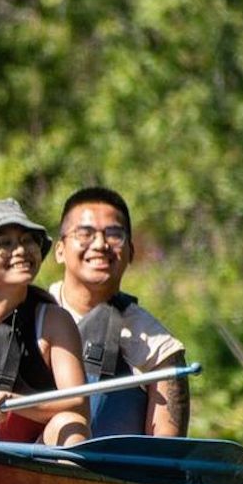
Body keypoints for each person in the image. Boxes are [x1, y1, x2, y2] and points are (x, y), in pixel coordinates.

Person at [49, 186, 189, 437]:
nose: (101, 244)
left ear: (131, 252)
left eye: (114, 235)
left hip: (108, 472)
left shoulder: (159, 347)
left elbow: (167, 449)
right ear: (60, 250)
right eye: (85, 233)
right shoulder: (31, 313)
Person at [0, 198, 90, 446]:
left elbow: (78, 403)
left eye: (28, 240)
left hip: (32, 459)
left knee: (70, 424)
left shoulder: (53, 320)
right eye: (5, 243)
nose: (20, 250)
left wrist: (17, 402)